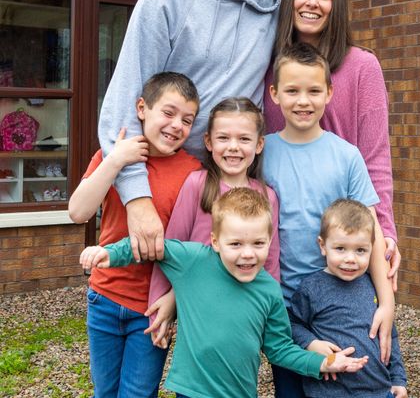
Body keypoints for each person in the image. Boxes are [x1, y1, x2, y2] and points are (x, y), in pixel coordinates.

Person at [98, 0, 280, 265]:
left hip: (226, 182)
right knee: (140, 302)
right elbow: (126, 97)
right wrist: (137, 198)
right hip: (158, 178)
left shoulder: (270, 12)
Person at [80, 187, 370, 398]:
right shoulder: (194, 260)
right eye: (235, 245)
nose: (247, 254)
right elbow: (150, 247)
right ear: (216, 242)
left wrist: (323, 363)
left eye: (258, 243)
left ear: (270, 240)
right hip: (191, 390)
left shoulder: (269, 290)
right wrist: (108, 254)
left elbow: (280, 349)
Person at [262, 42, 395, 398]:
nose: (303, 101)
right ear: (274, 94)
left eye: (313, 91)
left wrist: (386, 302)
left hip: (342, 304)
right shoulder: (262, 152)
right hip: (287, 307)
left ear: (329, 93)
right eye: (292, 90)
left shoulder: (346, 156)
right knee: (290, 390)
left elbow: (373, 229)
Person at [263, 0, 401, 289]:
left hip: (345, 235)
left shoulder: (362, 67)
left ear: (335, 6)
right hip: (285, 243)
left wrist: (384, 231)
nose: (312, 2)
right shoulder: (269, 67)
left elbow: (375, 157)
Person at [69, 72, 201, 398]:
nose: (176, 126)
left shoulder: (193, 173)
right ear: (142, 108)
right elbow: (78, 211)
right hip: (105, 297)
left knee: (138, 394)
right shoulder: (113, 156)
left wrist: (172, 302)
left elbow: (192, 248)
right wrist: (115, 160)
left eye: (187, 120)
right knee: (105, 391)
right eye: (168, 113)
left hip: (152, 308)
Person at [146, 97, 281, 343]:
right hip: (198, 307)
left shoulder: (267, 196)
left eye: (244, 139)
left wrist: (269, 318)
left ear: (259, 144)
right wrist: (162, 302)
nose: (233, 147)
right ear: (208, 141)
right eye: (223, 138)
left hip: (242, 307)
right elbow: (170, 248)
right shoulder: (197, 185)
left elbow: (270, 263)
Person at [289, 198, 408, 398]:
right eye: (340, 248)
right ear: (323, 245)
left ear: (372, 248)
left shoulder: (374, 287)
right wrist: (311, 343)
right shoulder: (312, 288)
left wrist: (398, 379)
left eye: (360, 250)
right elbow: (292, 324)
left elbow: (389, 336)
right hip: (330, 392)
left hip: (379, 391)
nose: (350, 259)